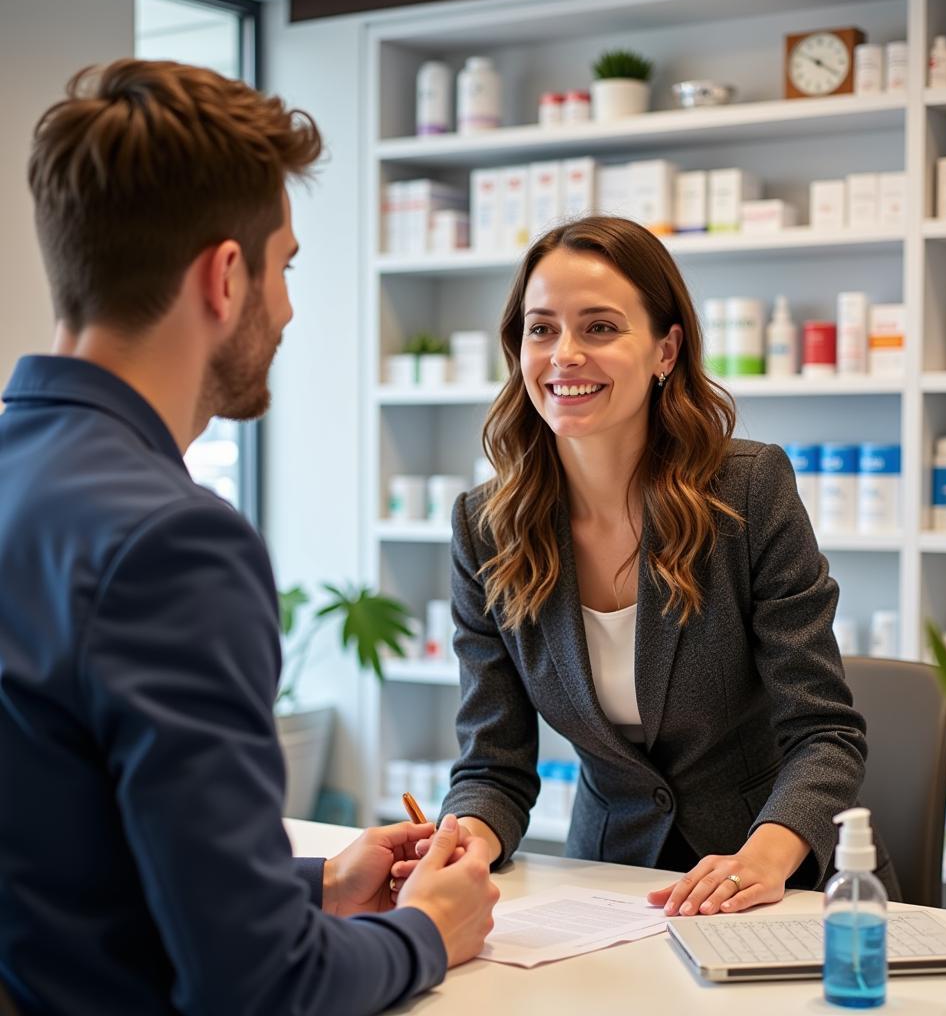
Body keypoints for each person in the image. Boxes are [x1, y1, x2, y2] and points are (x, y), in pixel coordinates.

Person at [0, 59, 497, 1015]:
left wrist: (312, 886)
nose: (291, 306)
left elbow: (63, 862)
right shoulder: (173, 541)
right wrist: (430, 931)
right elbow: (260, 985)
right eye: (287, 267)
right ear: (227, 277)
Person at [426, 216, 899, 917]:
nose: (564, 355)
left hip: (781, 885)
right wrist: (464, 838)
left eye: (600, 328)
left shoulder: (748, 490)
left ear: (665, 350)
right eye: (542, 328)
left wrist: (759, 860)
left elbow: (824, 733)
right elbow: (493, 764)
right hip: (611, 889)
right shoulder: (487, 528)